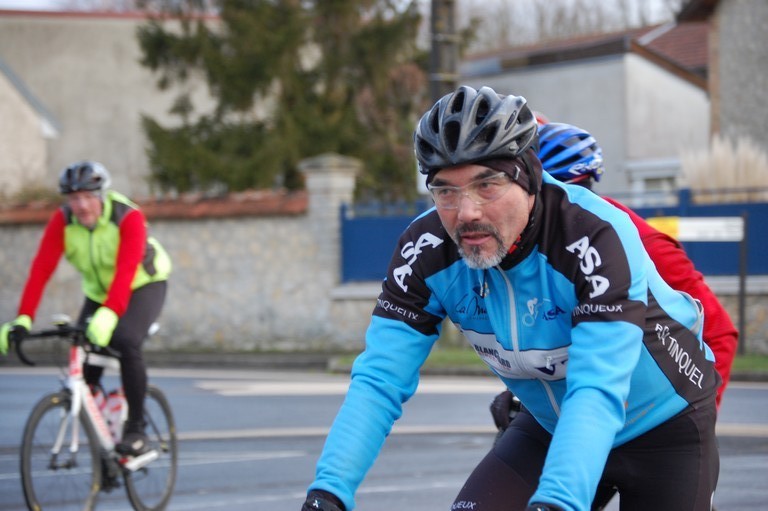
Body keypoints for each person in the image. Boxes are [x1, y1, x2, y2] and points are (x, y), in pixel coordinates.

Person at [300, 85, 720, 511]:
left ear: (530, 178)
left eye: (487, 185)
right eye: (445, 191)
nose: (466, 212)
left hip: (664, 427)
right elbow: (379, 380)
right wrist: (328, 492)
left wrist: (557, 501)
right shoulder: (425, 250)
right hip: (550, 426)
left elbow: (597, 385)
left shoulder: (591, 235)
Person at [489, 122, 739, 509]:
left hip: (654, 423)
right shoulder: (525, 248)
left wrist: (695, 427)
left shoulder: (637, 241)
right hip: (577, 418)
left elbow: (719, 333)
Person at [0, 161, 171, 457]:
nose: (81, 205)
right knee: (84, 356)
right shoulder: (63, 222)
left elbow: (126, 270)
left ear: (101, 195)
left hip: (143, 284)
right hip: (99, 293)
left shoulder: (127, 217)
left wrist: (111, 313)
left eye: (88, 197)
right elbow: (41, 270)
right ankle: (104, 433)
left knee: (125, 340)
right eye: (73, 198)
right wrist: (24, 318)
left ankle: (136, 430)